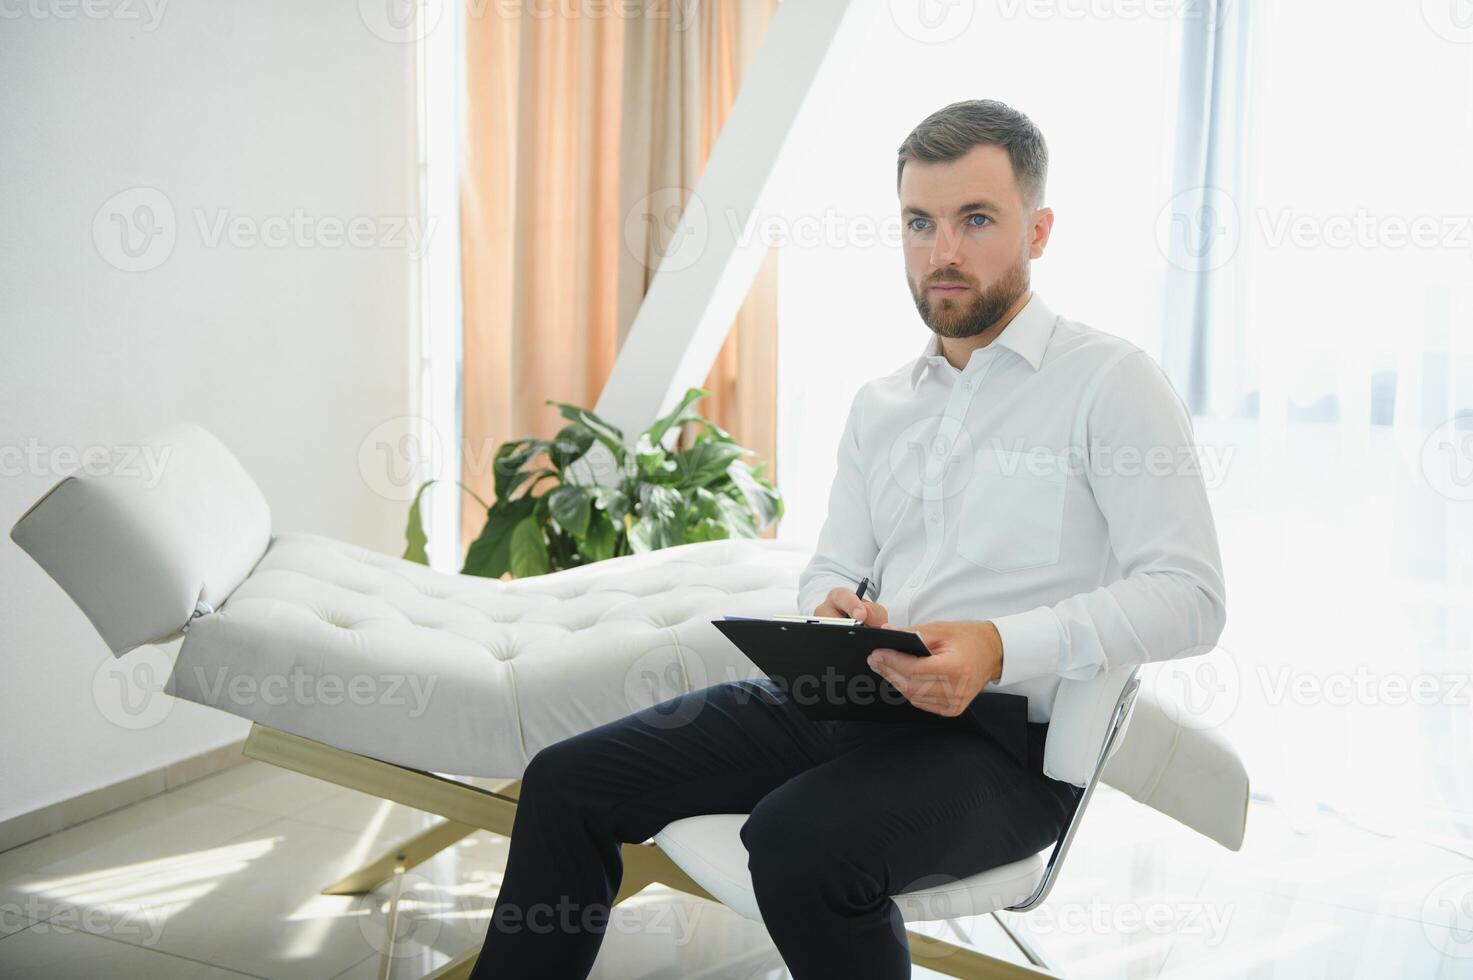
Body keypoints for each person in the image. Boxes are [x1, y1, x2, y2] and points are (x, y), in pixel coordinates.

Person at [468, 98, 1226, 979]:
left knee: (798, 841)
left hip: (1004, 750)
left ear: (1039, 229)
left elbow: (1192, 598)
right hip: (853, 702)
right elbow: (830, 564)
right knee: (568, 780)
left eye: (975, 220)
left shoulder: (1111, 383)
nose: (942, 252)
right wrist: (822, 602)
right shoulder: (882, 405)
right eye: (919, 222)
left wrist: (997, 645)